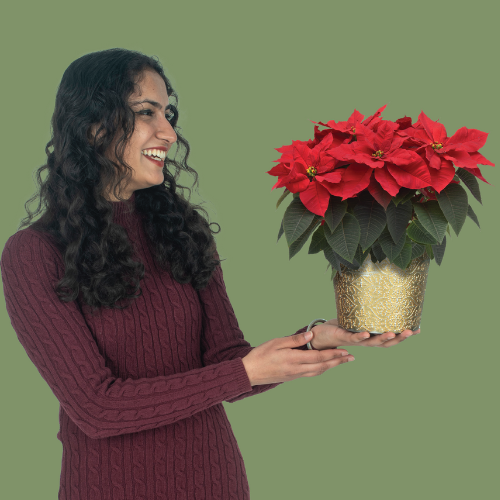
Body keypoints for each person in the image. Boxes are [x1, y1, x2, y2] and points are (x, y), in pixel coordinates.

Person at [0, 48, 418, 500]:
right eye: (146, 113)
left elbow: (228, 361)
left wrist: (317, 338)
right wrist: (243, 371)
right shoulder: (34, 254)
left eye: (168, 113)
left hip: (216, 484)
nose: (169, 132)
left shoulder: (181, 232)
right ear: (93, 127)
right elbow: (97, 407)